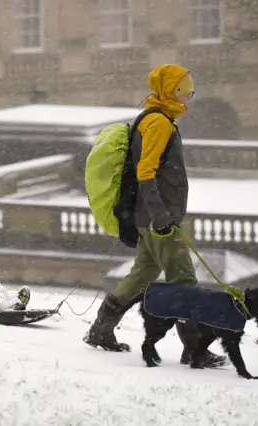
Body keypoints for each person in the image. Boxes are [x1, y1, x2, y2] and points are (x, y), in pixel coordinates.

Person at [83, 64, 227, 368]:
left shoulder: (151, 117)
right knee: (184, 279)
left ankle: (100, 329)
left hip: (146, 216)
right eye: (186, 90)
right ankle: (195, 348)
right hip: (157, 220)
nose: (190, 96)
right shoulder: (159, 123)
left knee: (141, 275)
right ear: (172, 91)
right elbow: (145, 171)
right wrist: (161, 216)